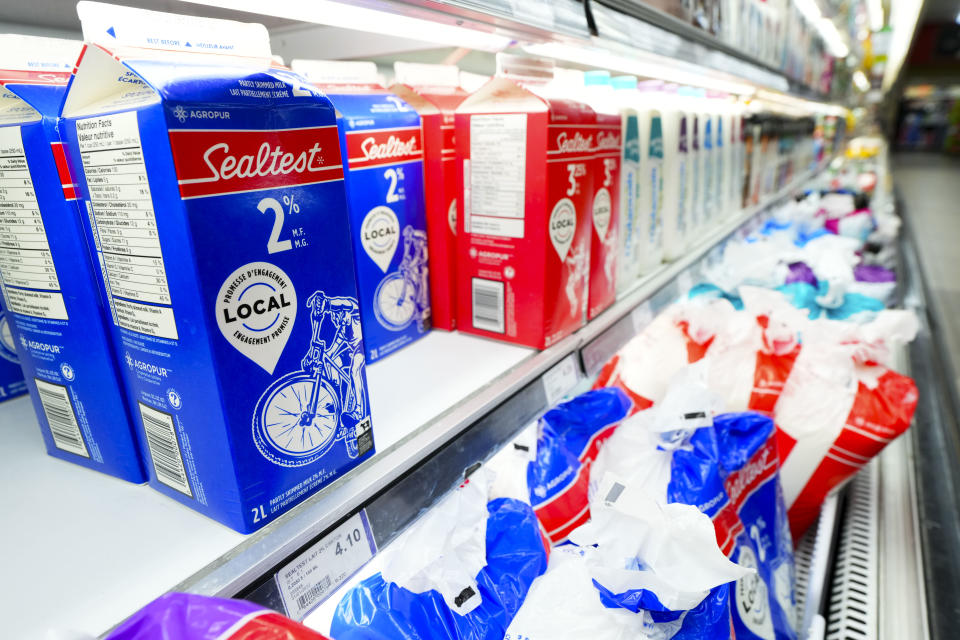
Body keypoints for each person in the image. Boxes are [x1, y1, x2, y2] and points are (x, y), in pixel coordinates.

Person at [400, 226, 430, 330]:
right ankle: (417, 306)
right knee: (414, 277)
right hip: (418, 262)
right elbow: (406, 251)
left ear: (411, 233)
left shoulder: (420, 237)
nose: (407, 241)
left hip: (424, 263)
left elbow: (419, 256)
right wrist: (403, 263)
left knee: (422, 282)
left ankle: (423, 305)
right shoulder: (409, 238)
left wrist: (410, 265)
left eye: (408, 239)